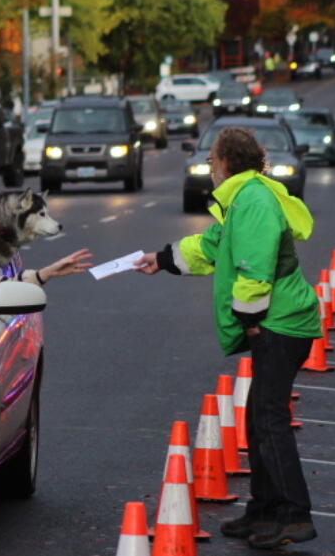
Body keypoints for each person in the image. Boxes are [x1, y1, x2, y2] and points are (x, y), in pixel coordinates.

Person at [134, 126, 321, 549]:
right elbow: (214, 245)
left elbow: (255, 266)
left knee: (269, 421)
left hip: (280, 323)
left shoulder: (252, 200)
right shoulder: (244, 197)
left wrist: (250, 320)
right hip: (277, 322)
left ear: (226, 162)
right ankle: (265, 509)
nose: (209, 168)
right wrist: (162, 259)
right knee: (259, 418)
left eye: (212, 160)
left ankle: (294, 514)